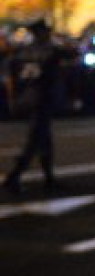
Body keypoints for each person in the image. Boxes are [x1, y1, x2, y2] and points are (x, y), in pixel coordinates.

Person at [3, 18, 70, 196]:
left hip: (26, 97)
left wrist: (13, 99)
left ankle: (49, 177)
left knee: (45, 138)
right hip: (42, 97)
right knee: (34, 141)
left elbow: (11, 78)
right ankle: (14, 176)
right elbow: (72, 52)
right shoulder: (51, 51)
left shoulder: (21, 52)